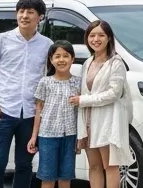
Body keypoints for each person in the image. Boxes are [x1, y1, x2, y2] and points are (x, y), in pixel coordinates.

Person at [0, 0, 52, 188]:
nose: (24, 16)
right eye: (21, 11)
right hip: (2, 111)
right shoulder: (1, 40)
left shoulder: (47, 45)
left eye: (30, 12)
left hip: (30, 113)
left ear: (40, 17)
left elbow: (51, 77)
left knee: (24, 164)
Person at [74, 20, 131, 188]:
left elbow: (114, 93)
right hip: (89, 122)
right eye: (92, 35)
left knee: (110, 166)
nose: (96, 39)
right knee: (94, 166)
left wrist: (83, 100)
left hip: (108, 121)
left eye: (101, 35)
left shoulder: (116, 62)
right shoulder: (87, 62)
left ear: (109, 38)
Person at [28, 41, 80, 188]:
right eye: (57, 56)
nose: (61, 60)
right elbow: (38, 110)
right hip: (47, 136)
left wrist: (81, 137)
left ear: (73, 59)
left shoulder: (78, 83)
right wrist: (34, 136)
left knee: (66, 177)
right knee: (47, 177)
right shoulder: (45, 82)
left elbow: (82, 113)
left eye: (66, 56)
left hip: (70, 136)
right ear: (51, 59)